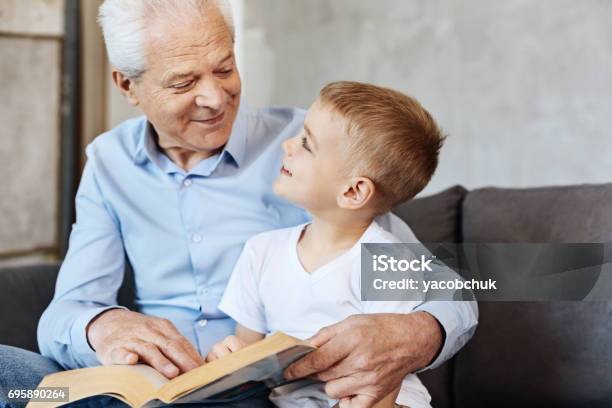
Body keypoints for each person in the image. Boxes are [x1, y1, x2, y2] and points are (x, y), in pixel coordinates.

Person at [0, 1, 478, 408]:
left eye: (225, 68)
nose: (214, 98)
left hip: (255, 390)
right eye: (184, 82)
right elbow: (66, 311)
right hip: (143, 387)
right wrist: (101, 326)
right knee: (18, 381)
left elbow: (453, 288)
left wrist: (420, 331)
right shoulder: (108, 163)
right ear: (127, 86)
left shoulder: (311, 152)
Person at [206, 81, 444, 408]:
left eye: (306, 143)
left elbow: (384, 370)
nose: (288, 144)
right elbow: (246, 353)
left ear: (352, 192)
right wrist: (227, 358)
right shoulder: (261, 251)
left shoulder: (387, 260)